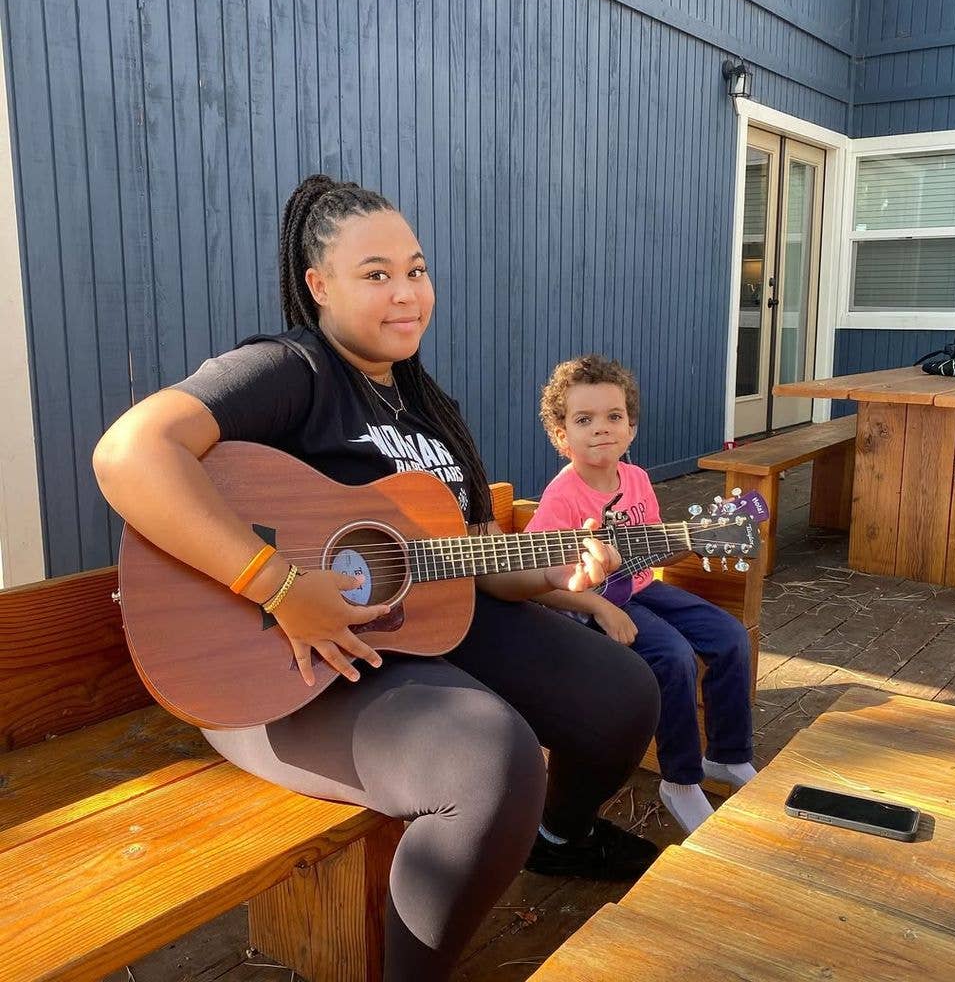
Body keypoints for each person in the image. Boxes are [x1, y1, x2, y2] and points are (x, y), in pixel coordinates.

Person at [92, 177, 661, 982]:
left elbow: (473, 560)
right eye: (376, 274)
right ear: (319, 285)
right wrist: (277, 585)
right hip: (278, 667)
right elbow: (129, 453)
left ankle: (559, 839)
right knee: (489, 763)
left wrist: (553, 569)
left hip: (411, 631)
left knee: (622, 694)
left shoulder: (431, 406)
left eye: (416, 270)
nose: (406, 293)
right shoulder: (291, 370)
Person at [525, 355, 756, 835]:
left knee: (730, 635)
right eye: (584, 420)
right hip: (589, 606)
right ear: (561, 436)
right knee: (673, 656)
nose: (601, 428)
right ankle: (680, 779)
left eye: (614, 416)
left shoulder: (637, 479)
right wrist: (599, 606)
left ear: (631, 429)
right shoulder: (562, 497)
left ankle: (727, 754)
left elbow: (651, 549)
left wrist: (693, 539)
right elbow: (539, 583)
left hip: (640, 587)